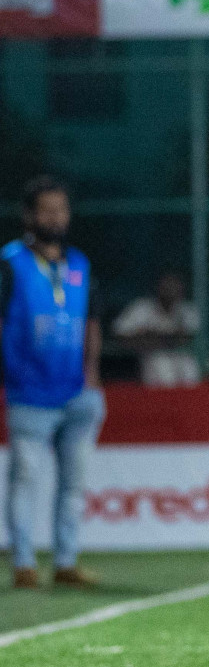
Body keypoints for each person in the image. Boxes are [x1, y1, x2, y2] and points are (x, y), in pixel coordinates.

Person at [2, 177, 106, 589]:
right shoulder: (10, 263)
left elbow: (93, 321)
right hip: (29, 393)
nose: (55, 217)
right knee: (25, 479)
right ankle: (24, 564)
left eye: (61, 209)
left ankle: (66, 561)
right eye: (46, 210)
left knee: (74, 485)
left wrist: (93, 375)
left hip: (78, 392)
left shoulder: (79, 264)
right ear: (29, 215)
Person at [113, 270, 201, 386]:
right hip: (150, 355)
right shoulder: (142, 307)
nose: (170, 289)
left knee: (189, 370)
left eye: (174, 284)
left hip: (179, 354)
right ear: (157, 286)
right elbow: (119, 333)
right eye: (166, 284)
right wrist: (155, 338)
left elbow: (185, 338)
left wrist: (151, 334)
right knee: (162, 369)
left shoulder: (187, 310)